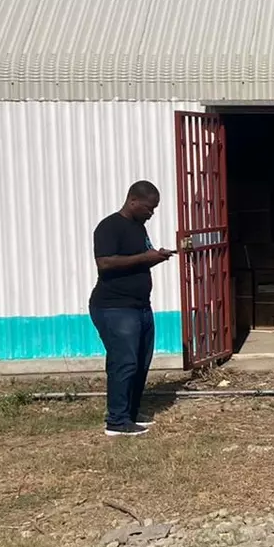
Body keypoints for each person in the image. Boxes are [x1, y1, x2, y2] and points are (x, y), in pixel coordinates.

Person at [90, 181, 173, 437]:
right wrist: (145, 257)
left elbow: (137, 262)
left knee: (140, 362)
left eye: (154, 208)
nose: (152, 213)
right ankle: (116, 421)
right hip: (115, 307)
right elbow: (105, 263)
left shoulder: (139, 228)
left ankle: (131, 414)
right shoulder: (109, 226)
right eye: (149, 208)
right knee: (124, 362)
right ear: (133, 201)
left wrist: (156, 257)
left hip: (141, 307)